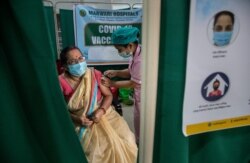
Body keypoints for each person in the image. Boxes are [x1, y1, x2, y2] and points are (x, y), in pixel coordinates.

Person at [58, 46, 138, 163]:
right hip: (79, 121)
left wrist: (101, 111)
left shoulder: (94, 74)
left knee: (127, 140)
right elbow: (59, 109)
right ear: (65, 66)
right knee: (99, 151)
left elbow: (109, 96)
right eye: (73, 61)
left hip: (104, 113)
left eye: (81, 58)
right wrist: (77, 119)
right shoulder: (60, 82)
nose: (79, 63)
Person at [101, 27, 141, 144]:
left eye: (119, 49)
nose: (119, 52)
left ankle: (142, 146)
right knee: (137, 121)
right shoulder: (135, 54)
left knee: (143, 124)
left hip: (144, 96)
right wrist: (117, 72)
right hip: (138, 94)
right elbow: (130, 71)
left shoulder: (141, 59)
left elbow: (133, 83)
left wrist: (112, 83)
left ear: (129, 45)